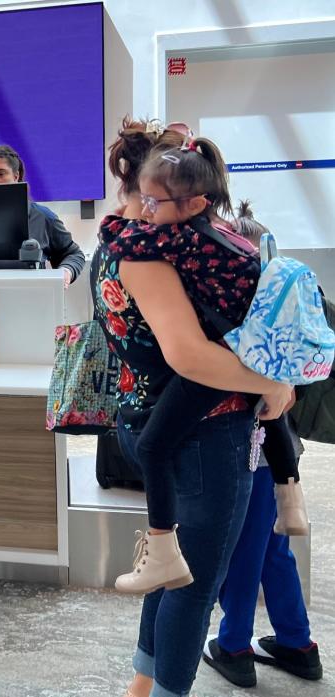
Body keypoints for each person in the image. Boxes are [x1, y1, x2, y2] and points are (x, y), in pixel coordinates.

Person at [95, 132, 294, 697]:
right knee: (193, 576)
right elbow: (190, 355)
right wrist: (272, 382)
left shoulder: (116, 241)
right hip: (203, 432)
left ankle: (144, 693)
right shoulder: (155, 250)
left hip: (148, 417)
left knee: (169, 561)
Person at [111, 152, 302, 595]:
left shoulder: (183, 241)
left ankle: (161, 549)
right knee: (271, 412)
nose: (147, 211)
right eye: (144, 199)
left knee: (153, 445)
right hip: (254, 349)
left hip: (216, 360)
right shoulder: (231, 237)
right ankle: (290, 498)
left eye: (155, 202)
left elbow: (123, 242)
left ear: (196, 203)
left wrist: (115, 223)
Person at [201, 200, 322, 689]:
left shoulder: (246, 325)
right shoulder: (283, 319)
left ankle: (233, 645)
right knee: (273, 550)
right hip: (280, 453)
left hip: (252, 450)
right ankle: (297, 643)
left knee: (247, 551)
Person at [0, 144, 86, 285]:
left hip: (31, 302)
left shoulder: (42, 216)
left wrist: (66, 271)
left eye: (0, 173)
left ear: (16, 176)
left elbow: (72, 254)